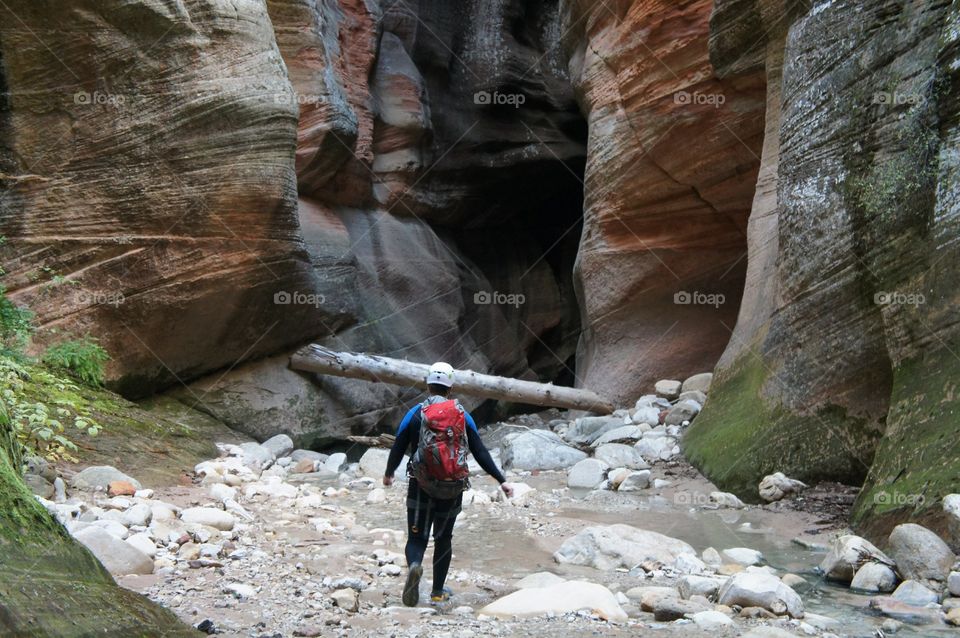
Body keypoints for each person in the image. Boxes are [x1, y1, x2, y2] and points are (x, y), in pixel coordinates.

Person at [383, 361, 513, 606]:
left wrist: (389, 473)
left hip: (420, 484)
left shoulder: (416, 413)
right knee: (444, 539)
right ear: (451, 387)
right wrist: (501, 480)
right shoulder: (462, 415)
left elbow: (399, 445)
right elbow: (481, 452)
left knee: (417, 538)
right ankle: (437, 592)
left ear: (428, 384)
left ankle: (414, 565)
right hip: (452, 487)